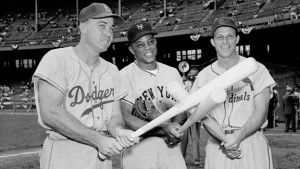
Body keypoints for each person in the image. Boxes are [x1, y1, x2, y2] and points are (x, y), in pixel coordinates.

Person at [32, 3, 139, 169]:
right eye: (102, 26)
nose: (108, 33)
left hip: (102, 157)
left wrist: (119, 131)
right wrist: (97, 139)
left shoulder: (112, 70)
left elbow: (115, 116)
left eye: (111, 28)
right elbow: (50, 112)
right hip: (65, 153)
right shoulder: (57, 58)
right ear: (83, 27)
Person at [191, 16, 275, 169]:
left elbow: (261, 112)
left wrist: (237, 137)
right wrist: (225, 139)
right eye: (219, 37)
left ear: (237, 39)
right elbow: (203, 116)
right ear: (212, 42)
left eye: (230, 36)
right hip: (218, 144)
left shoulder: (256, 68)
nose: (225, 42)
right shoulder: (203, 76)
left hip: (251, 141)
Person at [120, 21, 187, 169]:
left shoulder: (172, 72)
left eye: (150, 42)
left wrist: (176, 130)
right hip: (140, 149)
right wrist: (164, 127)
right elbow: (124, 116)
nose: (148, 48)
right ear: (131, 49)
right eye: (140, 45)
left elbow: (182, 108)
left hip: (171, 146)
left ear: (156, 42)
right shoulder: (124, 75)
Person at [181, 67, 202, 165]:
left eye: (195, 75)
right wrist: (183, 77)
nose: (193, 77)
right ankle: (181, 160)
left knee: (196, 138)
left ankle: (196, 160)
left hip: (195, 113)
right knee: (183, 139)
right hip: (184, 114)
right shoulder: (185, 83)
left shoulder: (200, 85)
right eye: (191, 74)